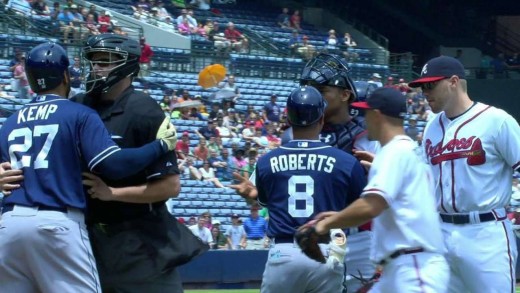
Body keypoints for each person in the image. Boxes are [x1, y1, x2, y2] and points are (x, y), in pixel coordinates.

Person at [0, 34, 194, 292]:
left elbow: (170, 187)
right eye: (93, 61)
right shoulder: (77, 105)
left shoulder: (145, 109)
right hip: (82, 235)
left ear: (128, 65)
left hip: (137, 241)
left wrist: (114, 193)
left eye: (105, 61)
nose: (96, 68)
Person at [230, 53, 380, 292]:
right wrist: (255, 195)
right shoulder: (293, 133)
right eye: (308, 87)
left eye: (320, 89)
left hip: (357, 236)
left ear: (345, 94)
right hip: (313, 238)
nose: (312, 94)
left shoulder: (368, 131)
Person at [311, 87, 449, 293]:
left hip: (414, 267)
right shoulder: (405, 149)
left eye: (366, 113)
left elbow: (371, 206)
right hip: (402, 266)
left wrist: (322, 226)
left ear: (377, 115)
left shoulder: (394, 152)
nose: (363, 120)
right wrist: (341, 216)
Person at [407, 55, 520, 293]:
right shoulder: (431, 126)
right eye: (422, 87)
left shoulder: (496, 121)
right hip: (442, 231)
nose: (425, 92)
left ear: (454, 81)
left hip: (486, 233)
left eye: (431, 85)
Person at [257, 85, 368, 293]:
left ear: (289, 120)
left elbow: (264, 202)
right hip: (327, 249)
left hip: (283, 252)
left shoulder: (266, 162)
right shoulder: (346, 161)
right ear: (321, 119)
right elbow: (361, 208)